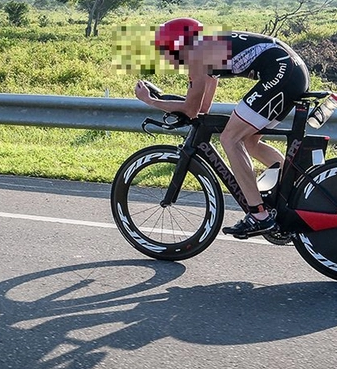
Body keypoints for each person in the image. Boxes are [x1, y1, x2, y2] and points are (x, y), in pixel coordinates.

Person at [133, 18, 310, 238]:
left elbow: (190, 109)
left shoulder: (196, 55)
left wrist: (151, 101)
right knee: (249, 141)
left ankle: (259, 215)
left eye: (166, 50)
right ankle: (297, 187)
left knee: (230, 139)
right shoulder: (207, 47)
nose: (167, 57)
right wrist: (190, 111)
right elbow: (202, 107)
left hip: (282, 73)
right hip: (293, 71)